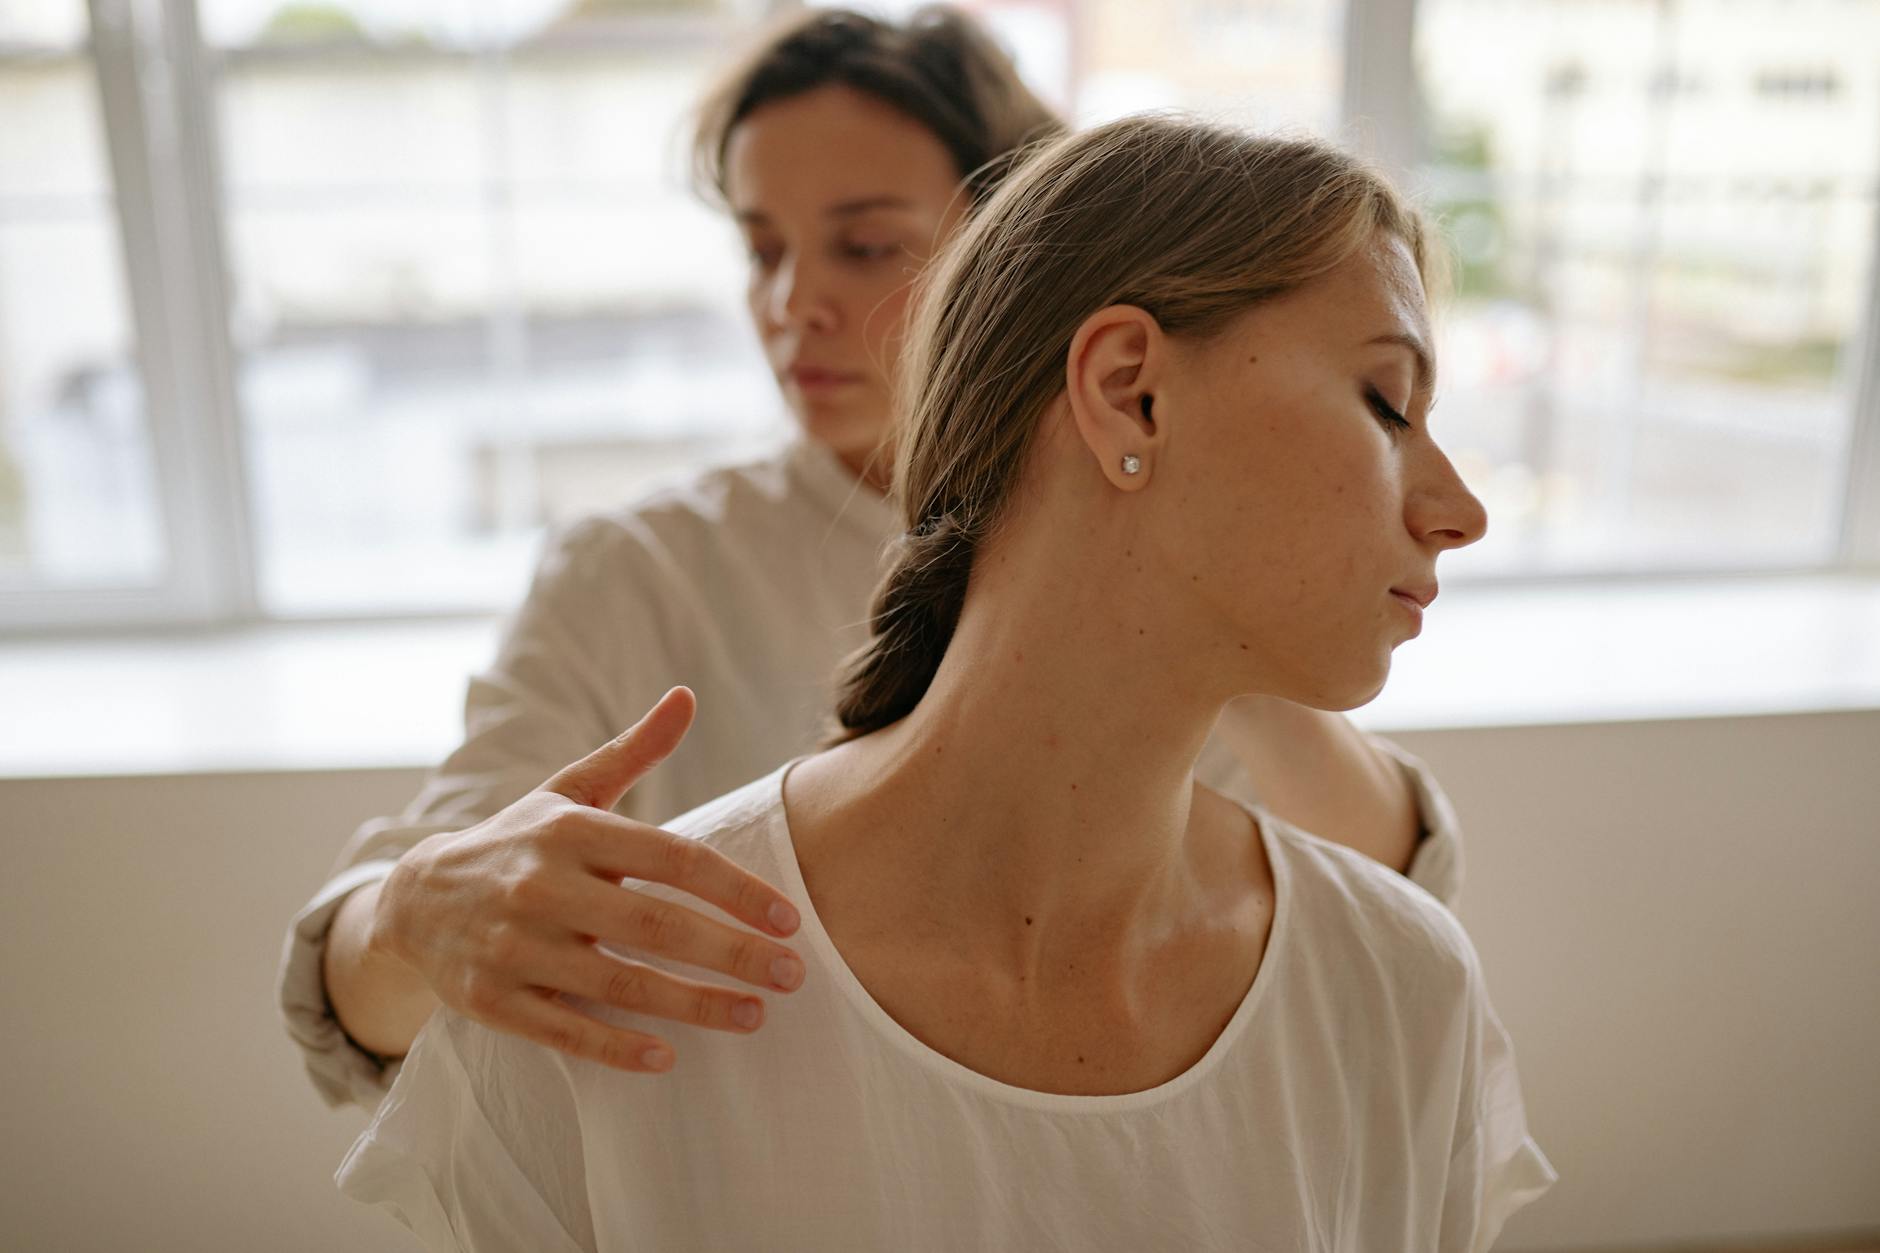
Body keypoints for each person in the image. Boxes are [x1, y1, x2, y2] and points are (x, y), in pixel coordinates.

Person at [335, 113, 1556, 1251]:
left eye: (866, 243)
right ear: (1127, 385)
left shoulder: (1403, 985)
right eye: (1386, 403)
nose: (1460, 510)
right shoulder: (594, 1020)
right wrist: (397, 913)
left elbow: (1385, 864)